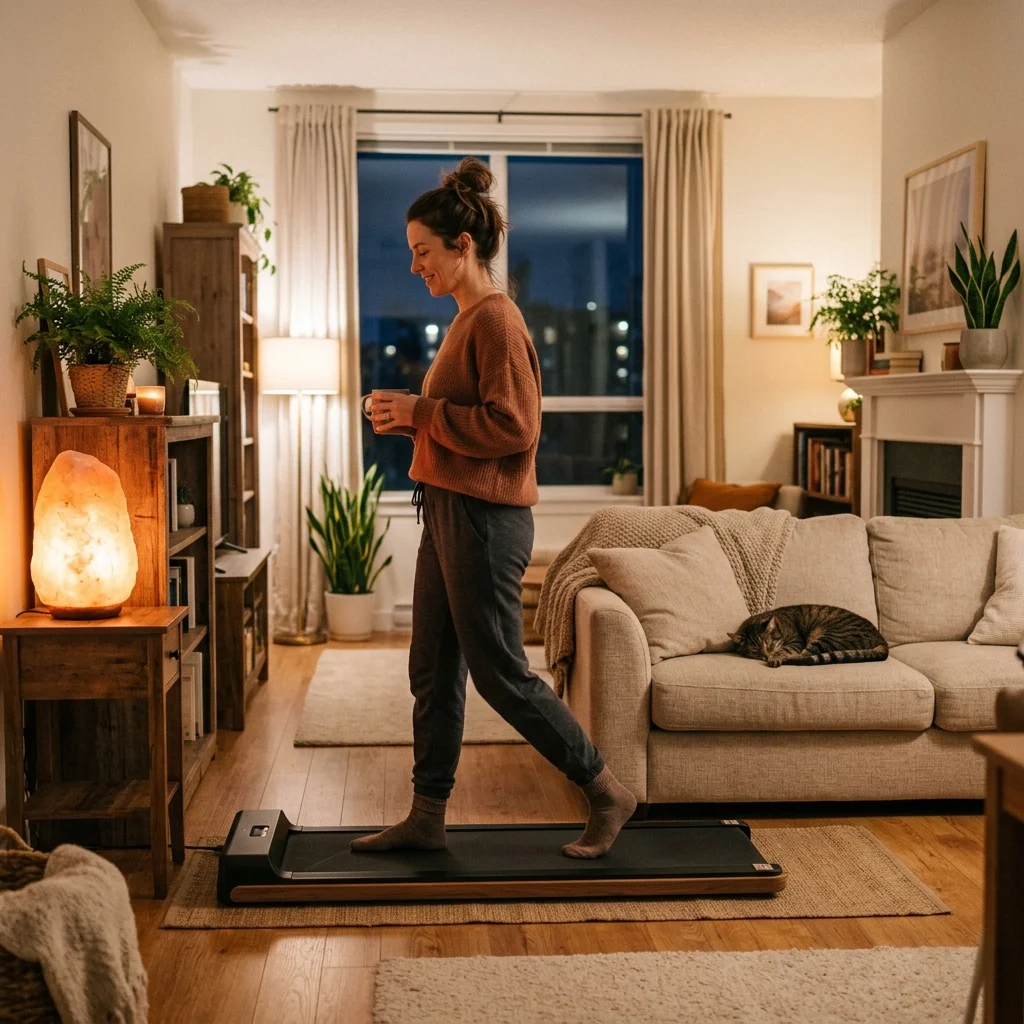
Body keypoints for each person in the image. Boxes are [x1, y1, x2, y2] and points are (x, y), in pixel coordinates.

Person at [351, 157, 637, 859]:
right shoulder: (465, 320)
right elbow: (465, 417)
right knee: (432, 667)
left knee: (502, 673)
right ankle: (427, 814)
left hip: (483, 518)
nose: (415, 265)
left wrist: (422, 411)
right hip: (448, 511)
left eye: (423, 251)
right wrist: (415, 419)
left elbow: (515, 428)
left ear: (463, 246)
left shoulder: (496, 321)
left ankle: (606, 791)